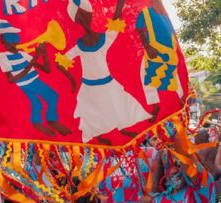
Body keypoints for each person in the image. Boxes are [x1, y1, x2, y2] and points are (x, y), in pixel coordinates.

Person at [57, 0, 152, 144]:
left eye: (85, 15)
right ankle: (98, 136)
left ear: (90, 16)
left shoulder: (103, 38)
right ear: (77, 20)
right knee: (93, 113)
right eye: (80, 17)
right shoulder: (80, 45)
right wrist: (71, 79)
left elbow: (115, 22)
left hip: (107, 82)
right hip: (89, 86)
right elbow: (62, 61)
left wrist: (120, 4)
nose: (84, 19)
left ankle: (122, 129)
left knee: (119, 104)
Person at [0, 19, 71, 136]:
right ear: (3, 41)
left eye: (15, 39)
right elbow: (11, 79)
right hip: (25, 85)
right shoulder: (3, 56)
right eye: (10, 40)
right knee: (37, 104)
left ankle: (51, 120)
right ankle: (36, 123)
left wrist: (44, 54)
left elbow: (47, 69)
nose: (14, 43)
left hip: (35, 81)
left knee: (53, 96)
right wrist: (34, 58)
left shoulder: (23, 54)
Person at [136, 0, 184, 108]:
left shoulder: (165, 16)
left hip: (169, 53)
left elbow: (172, 35)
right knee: (149, 77)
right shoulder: (145, 12)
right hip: (154, 50)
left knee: (172, 77)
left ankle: (180, 101)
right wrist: (148, 47)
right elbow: (139, 30)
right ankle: (155, 105)